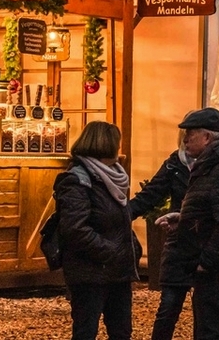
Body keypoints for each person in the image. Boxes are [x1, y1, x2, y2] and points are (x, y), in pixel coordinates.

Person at [157, 108, 219, 340]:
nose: (185, 139)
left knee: (212, 331)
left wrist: (207, 261)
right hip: (216, 264)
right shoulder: (213, 163)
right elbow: (216, 209)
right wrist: (185, 217)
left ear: (208, 137)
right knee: (207, 329)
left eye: (190, 134)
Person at [57, 121, 139, 340]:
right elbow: (74, 228)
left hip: (117, 272)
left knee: (121, 332)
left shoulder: (113, 177)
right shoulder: (77, 180)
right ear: (106, 145)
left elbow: (118, 220)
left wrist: (129, 248)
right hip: (89, 273)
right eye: (116, 144)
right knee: (86, 332)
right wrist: (110, 251)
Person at [128, 120, 194, 340]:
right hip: (180, 242)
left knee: (208, 314)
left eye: (191, 134)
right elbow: (151, 194)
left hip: (209, 243)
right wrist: (122, 215)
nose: (186, 139)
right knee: (168, 307)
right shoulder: (175, 163)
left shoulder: (218, 164)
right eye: (184, 134)